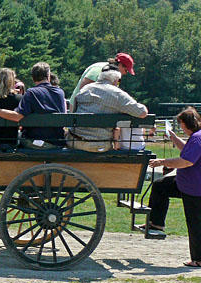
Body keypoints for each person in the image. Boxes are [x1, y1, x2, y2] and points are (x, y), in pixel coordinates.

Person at [147, 107, 201, 268]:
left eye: (180, 124)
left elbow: (186, 161)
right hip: (185, 184)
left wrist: (163, 161)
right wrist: (173, 137)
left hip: (194, 188)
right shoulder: (195, 137)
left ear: (185, 124)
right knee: (160, 186)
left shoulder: (197, 139)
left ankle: (198, 259)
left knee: (195, 222)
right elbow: (187, 151)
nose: (181, 127)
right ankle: (156, 222)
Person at [0, 62, 66, 149]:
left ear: (33, 77)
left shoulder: (31, 93)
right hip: (57, 142)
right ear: (48, 76)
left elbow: (17, 116)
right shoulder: (60, 92)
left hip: (35, 142)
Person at [66, 69, 148, 152]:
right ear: (116, 81)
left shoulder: (85, 89)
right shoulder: (117, 93)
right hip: (99, 145)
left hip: (74, 142)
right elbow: (142, 112)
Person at [68, 53, 135, 109]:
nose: (125, 73)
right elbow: (82, 90)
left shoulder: (117, 77)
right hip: (79, 107)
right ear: (120, 64)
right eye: (126, 70)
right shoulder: (99, 68)